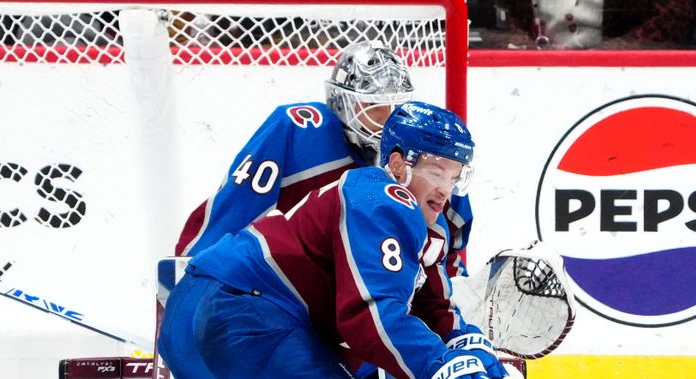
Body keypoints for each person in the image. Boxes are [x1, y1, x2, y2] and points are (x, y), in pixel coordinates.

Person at [17, 101, 508, 379]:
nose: (447, 187)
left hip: (194, 317)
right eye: (436, 171)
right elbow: (369, 315)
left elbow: (433, 310)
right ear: (399, 164)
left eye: (455, 174)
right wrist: (441, 373)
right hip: (246, 320)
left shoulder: (418, 223)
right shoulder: (383, 195)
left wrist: (465, 349)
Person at [173, 40, 473, 279]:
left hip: (377, 293)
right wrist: (194, 271)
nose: (386, 117)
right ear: (342, 99)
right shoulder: (302, 130)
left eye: (396, 104)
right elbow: (236, 208)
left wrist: (452, 292)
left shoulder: (420, 154)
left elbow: (450, 239)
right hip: (288, 293)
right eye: (373, 105)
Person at [493, 0, 693, 49]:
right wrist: (518, 43)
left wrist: (618, 51)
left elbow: (673, 13)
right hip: (528, 73)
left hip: (621, 77)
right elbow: (497, 11)